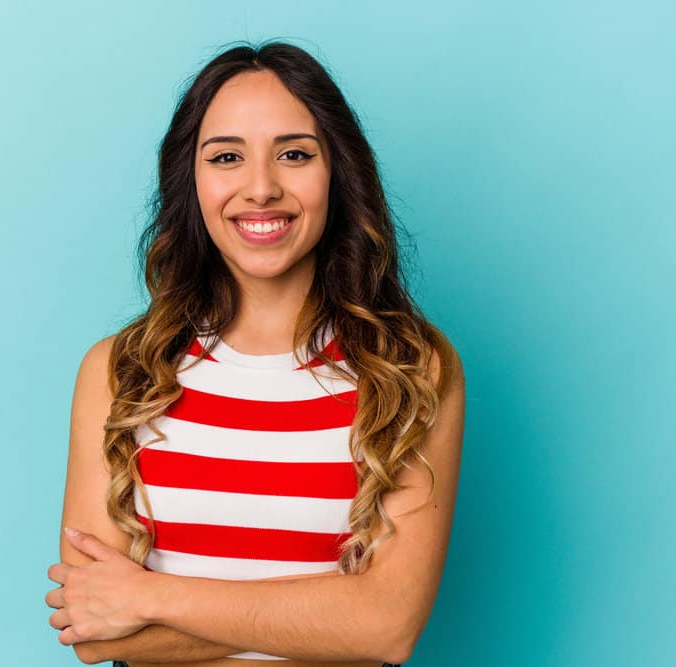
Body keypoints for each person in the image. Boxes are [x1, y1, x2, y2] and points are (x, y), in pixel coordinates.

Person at [45, 40, 465, 667]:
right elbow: (96, 631)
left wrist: (151, 597)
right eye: (227, 157)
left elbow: (385, 626)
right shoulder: (118, 373)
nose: (261, 188)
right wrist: (327, 614)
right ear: (192, 178)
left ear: (338, 174)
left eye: (294, 154)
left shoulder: (411, 368)